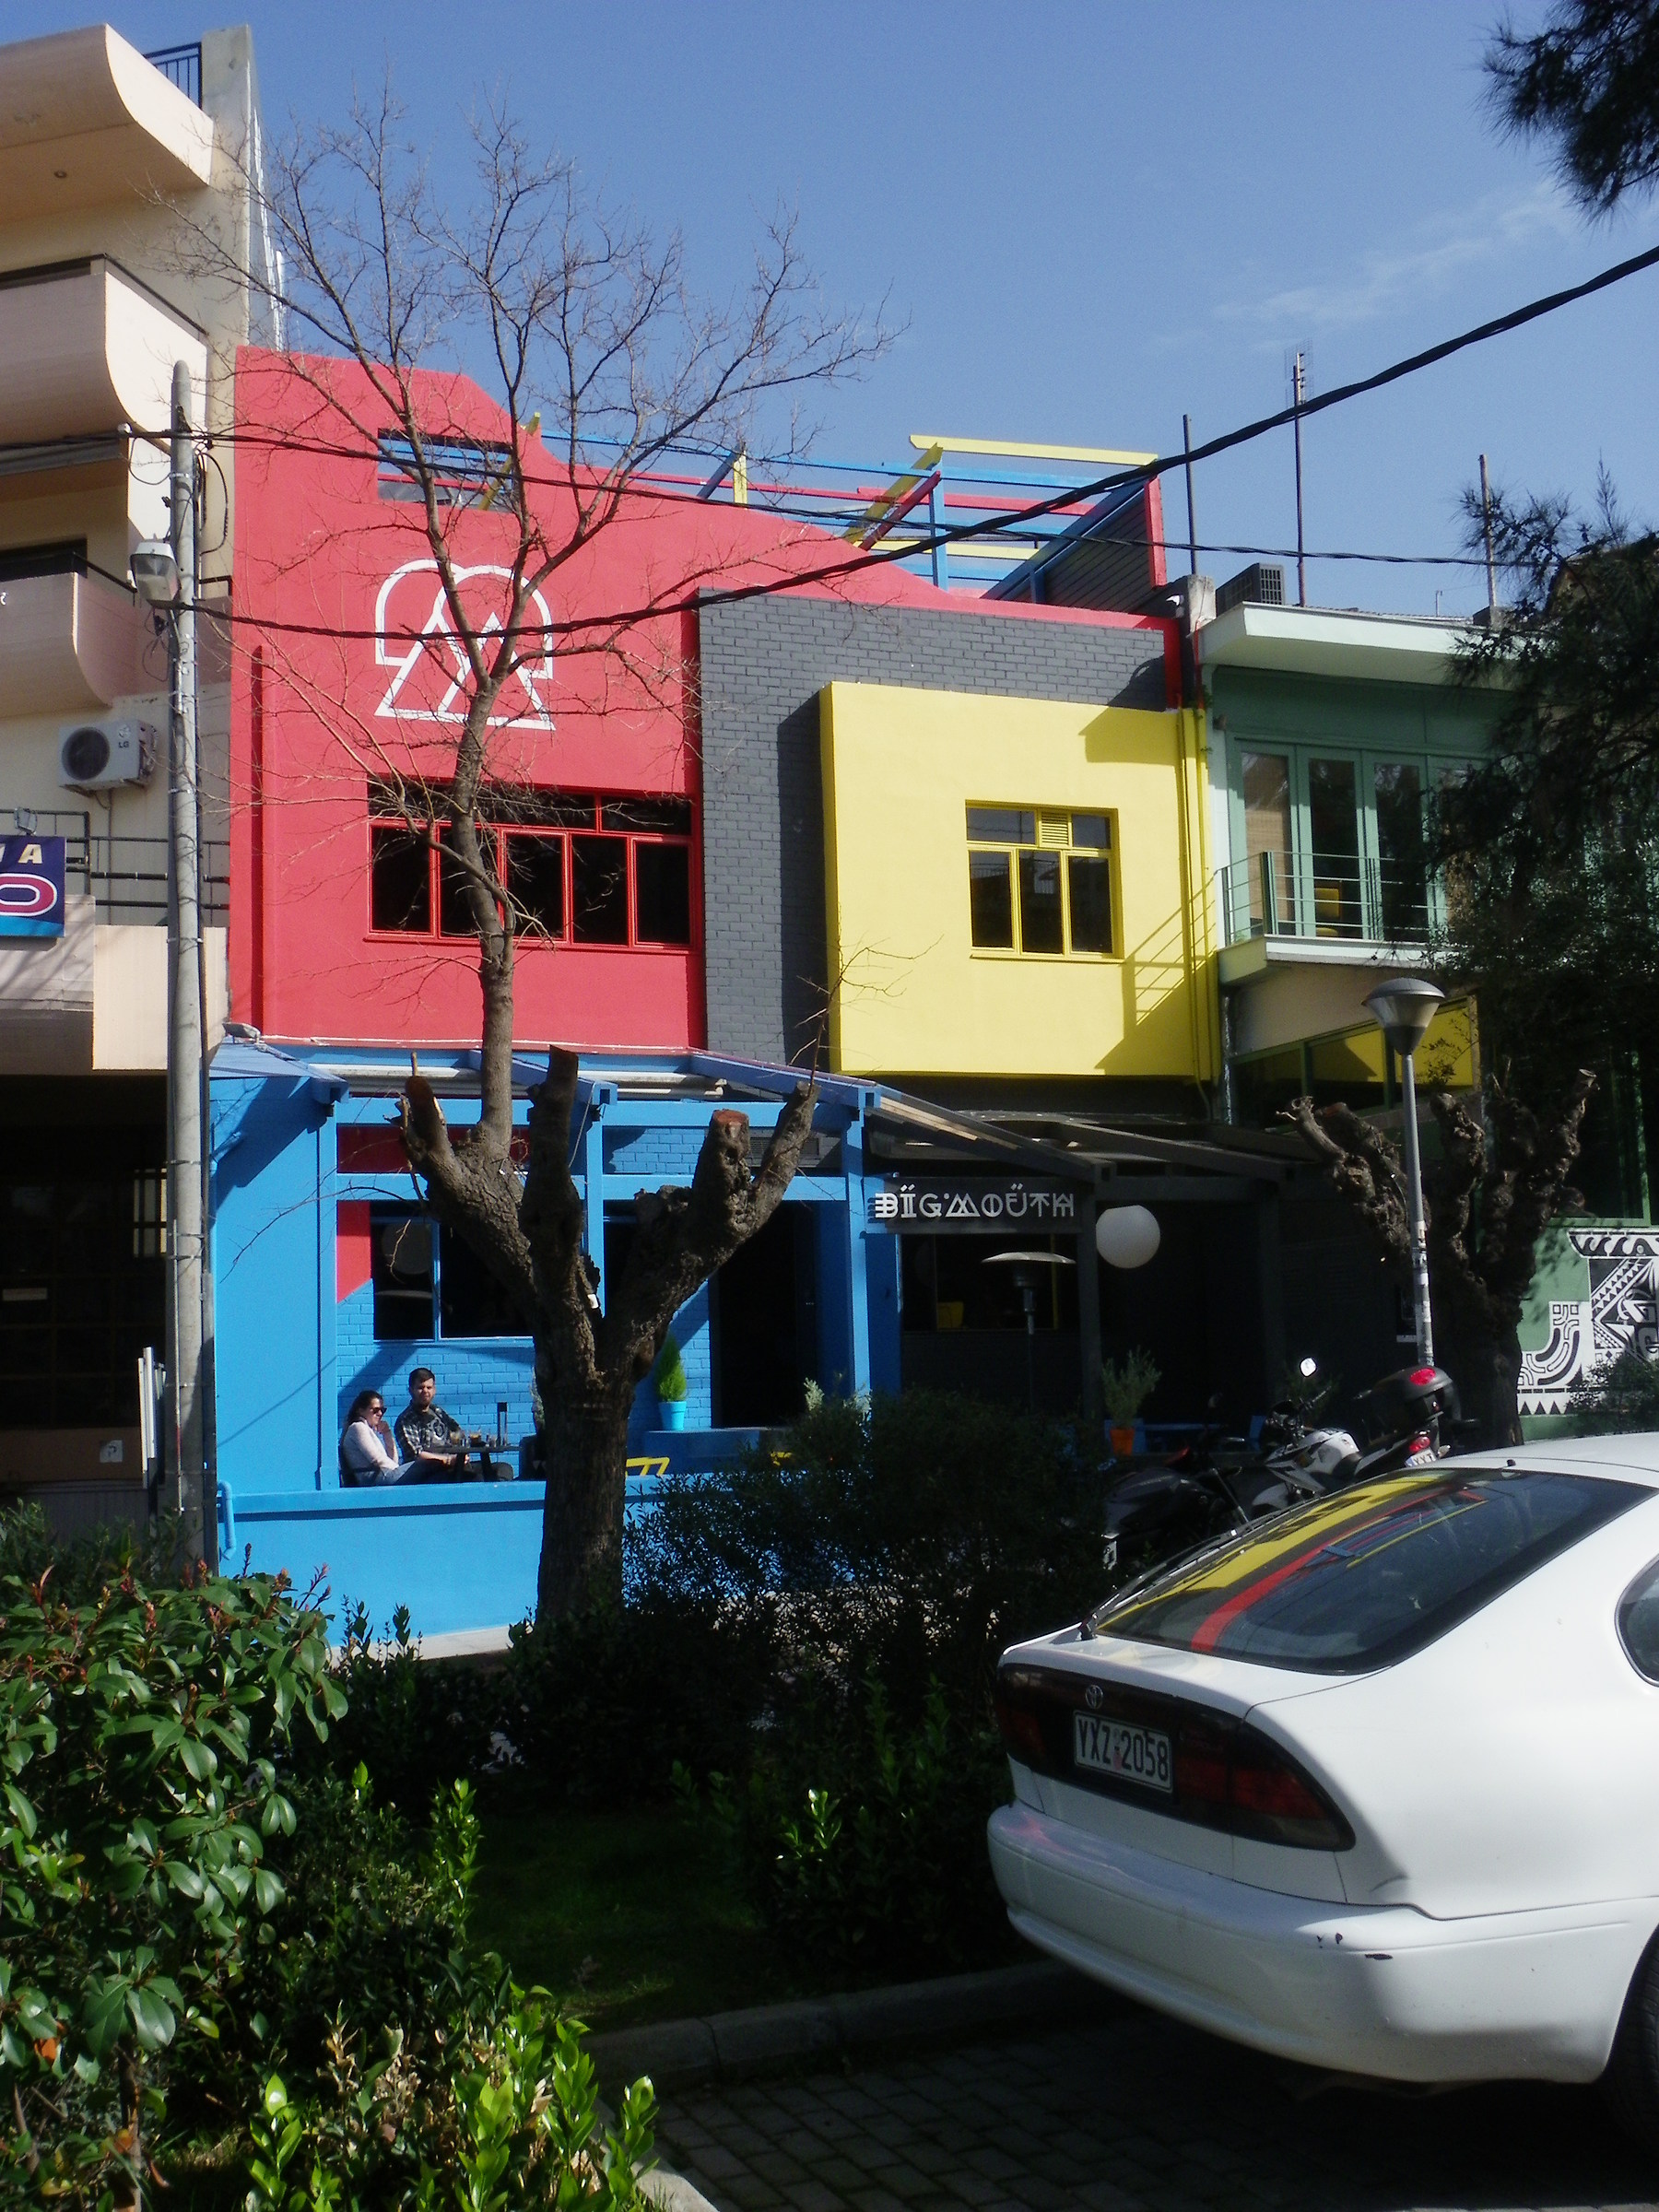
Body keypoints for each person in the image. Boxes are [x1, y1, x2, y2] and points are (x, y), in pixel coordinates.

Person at [394, 1368, 473, 1478]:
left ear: (434, 1390)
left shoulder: (438, 1412)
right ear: (411, 1390)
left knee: (494, 1471)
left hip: (453, 1467)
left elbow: (459, 1434)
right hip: (426, 1474)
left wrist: (463, 1455)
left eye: (429, 1387)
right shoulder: (406, 1420)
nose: (425, 1391)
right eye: (420, 1388)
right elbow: (416, 1454)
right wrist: (448, 1460)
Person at [339, 1389, 406, 1485]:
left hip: (382, 1475)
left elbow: (393, 1461)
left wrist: (387, 1434)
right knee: (421, 1464)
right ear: (361, 1410)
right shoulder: (358, 1427)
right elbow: (377, 1459)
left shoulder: (368, 1430)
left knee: (423, 1466)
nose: (380, 1414)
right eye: (375, 1410)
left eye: (382, 1410)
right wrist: (399, 1471)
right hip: (372, 1478)